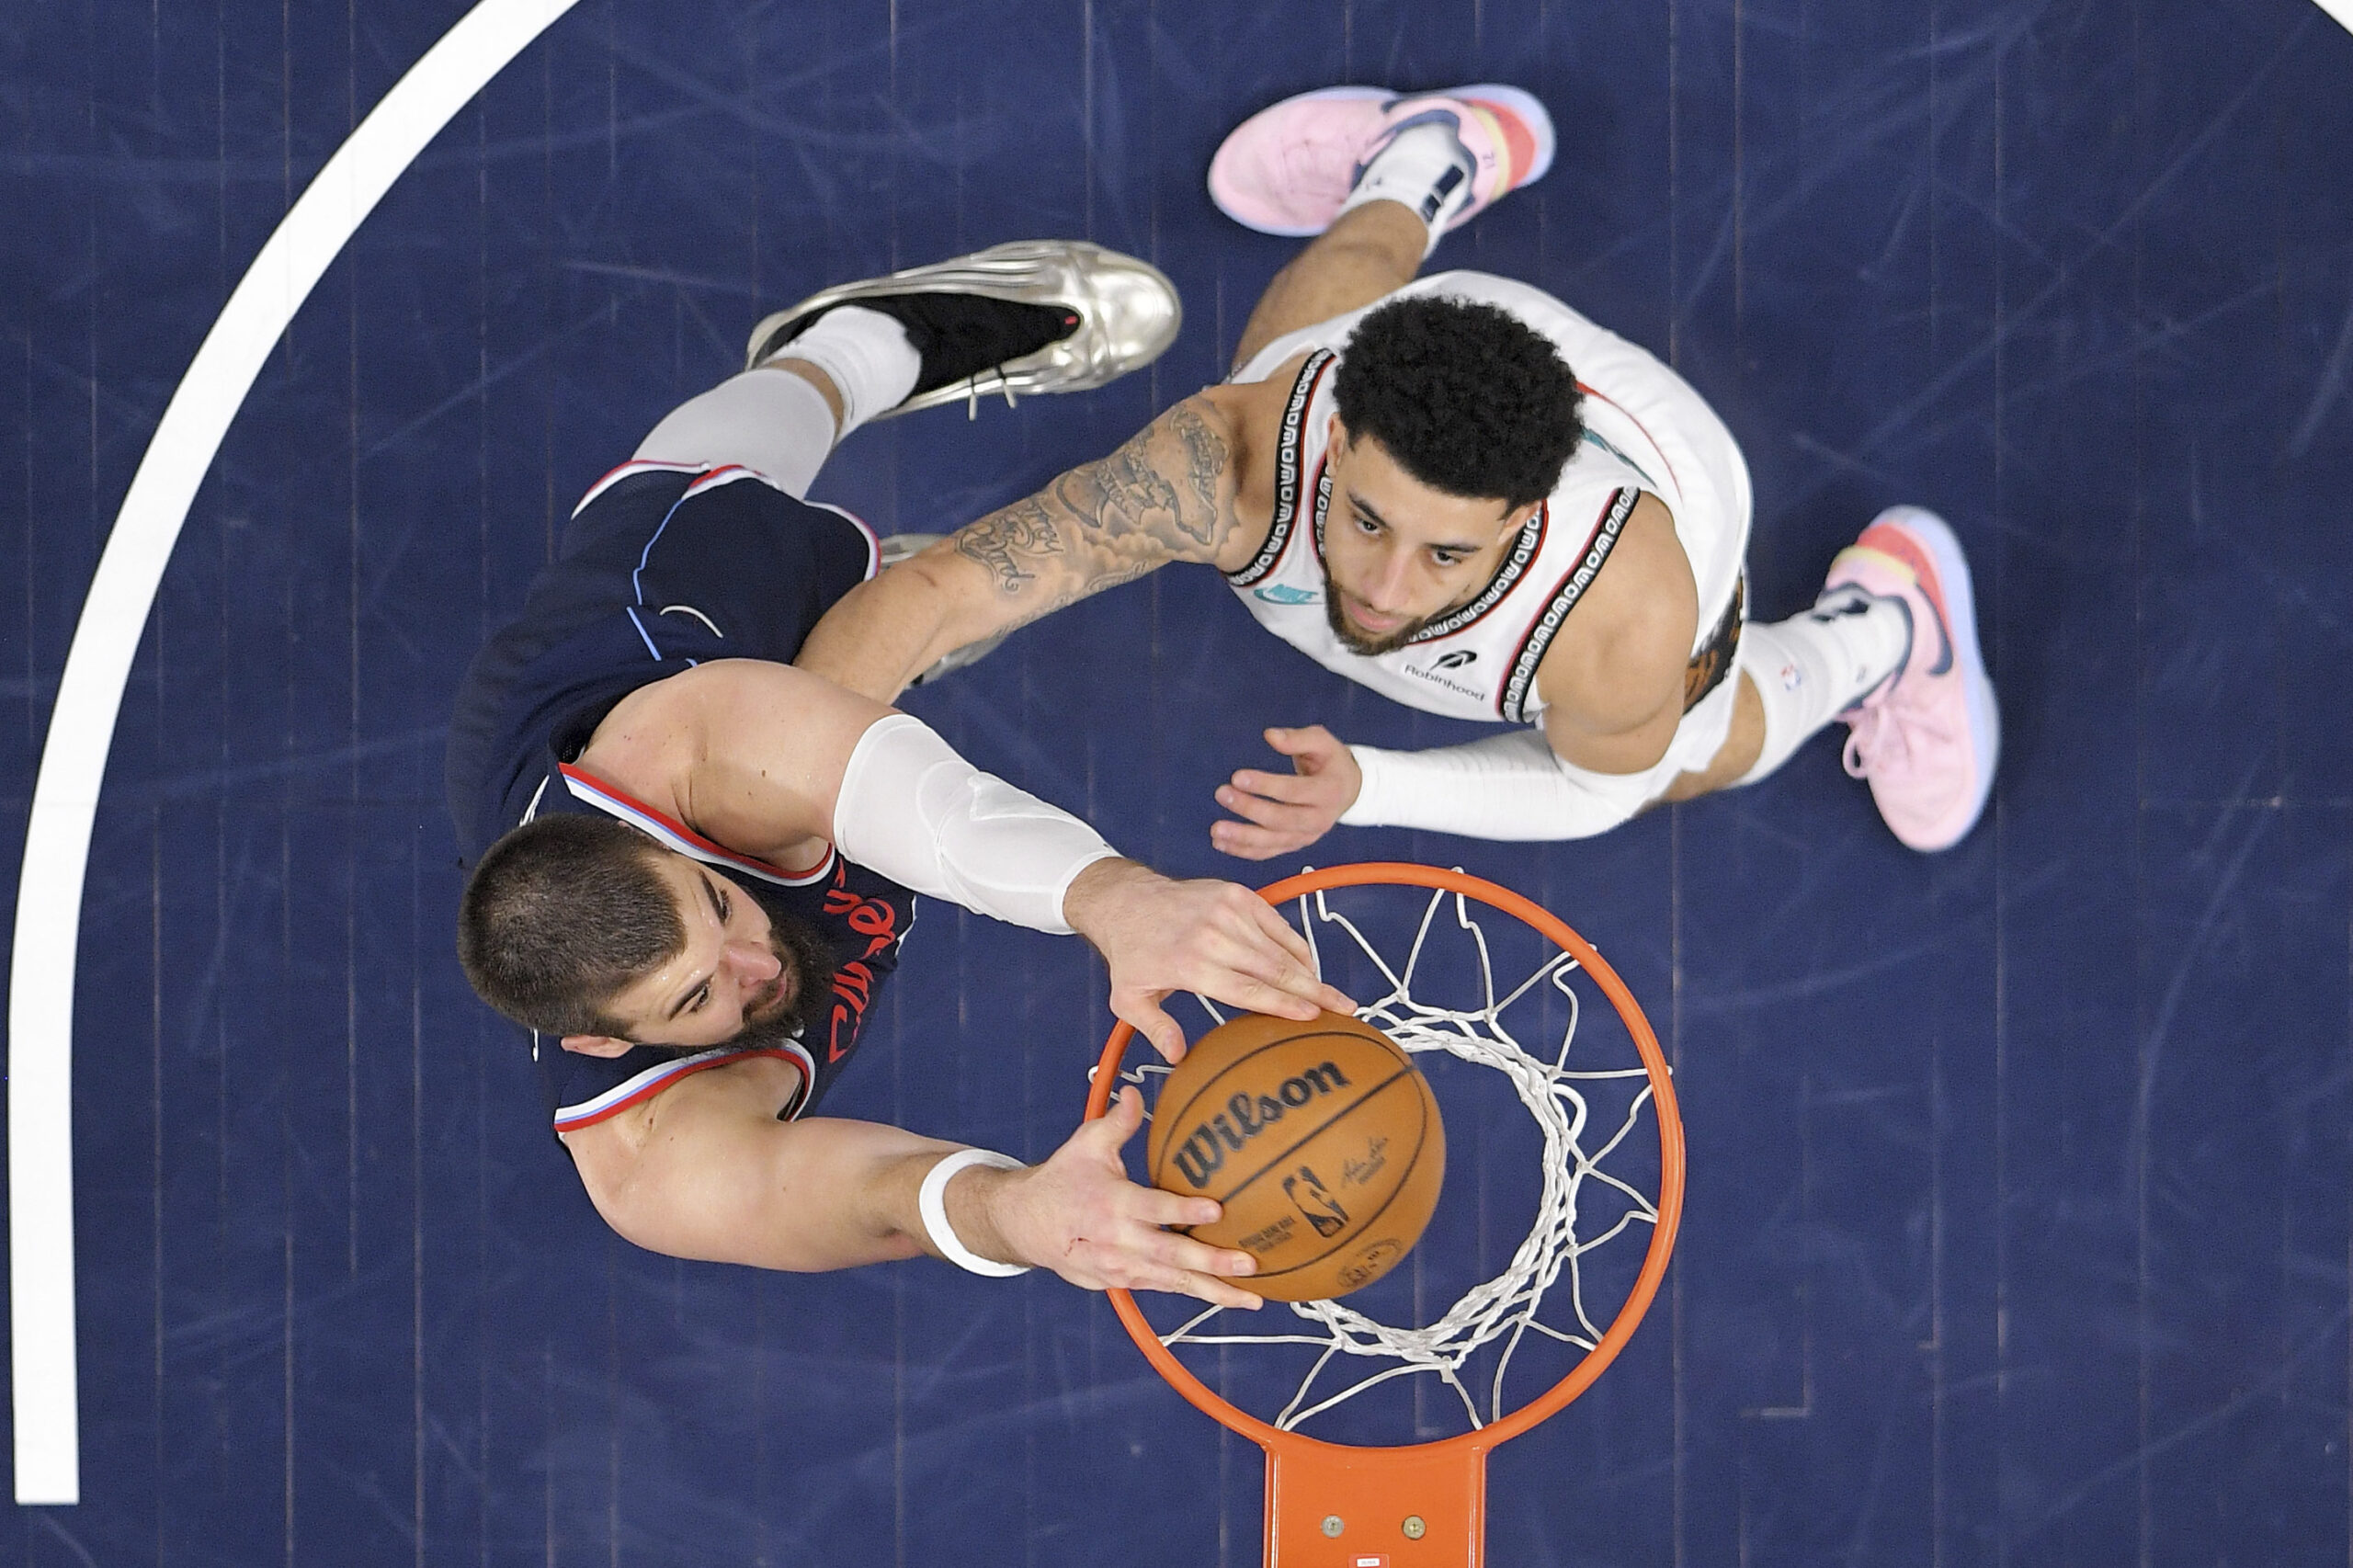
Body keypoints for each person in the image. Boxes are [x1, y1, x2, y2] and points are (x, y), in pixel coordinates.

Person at [447, 240, 1351, 1311]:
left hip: (658, 637)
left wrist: (1115, 897)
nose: (756, 960)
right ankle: (882, 641)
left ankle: (871, 339)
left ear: (662, 853)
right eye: (698, 994)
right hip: (777, 756)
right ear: (599, 1040)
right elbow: (869, 1193)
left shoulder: (692, 754)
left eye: (721, 904)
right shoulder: (651, 1160)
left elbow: (944, 814)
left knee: (772, 498)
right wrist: (1016, 1211)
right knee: (856, 684)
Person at [796, 87, 2000, 858]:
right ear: (1338, 430)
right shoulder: (1239, 448)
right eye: (1365, 516)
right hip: (1435, 332)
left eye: (1444, 553)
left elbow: (1590, 793)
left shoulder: (1625, 619)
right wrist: (771, 804)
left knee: (1690, 754)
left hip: (1673, 493)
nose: (1378, 584)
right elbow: (943, 592)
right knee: (1314, 308)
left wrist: (1369, 785)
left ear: (1524, 518)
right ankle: (1429, 150)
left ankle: (1883, 623)